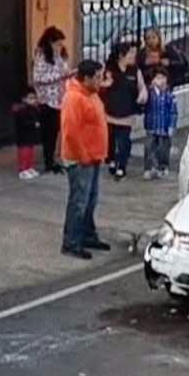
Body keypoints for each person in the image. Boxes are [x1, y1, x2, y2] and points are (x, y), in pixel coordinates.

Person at [60, 60, 110, 259]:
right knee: (79, 202)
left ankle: (88, 235)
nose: (101, 80)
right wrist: (84, 156)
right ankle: (71, 242)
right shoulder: (74, 98)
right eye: (97, 77)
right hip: (82, 160)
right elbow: (71, 132)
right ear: (86, 78)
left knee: (90, 200)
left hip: (93, 157)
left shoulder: (91, 94)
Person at [32, 27, 72, 174]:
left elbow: (63, 70)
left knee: (55, 131)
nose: (60, 47)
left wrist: (67, 75)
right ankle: (48, 161)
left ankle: (53, 159)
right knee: (48, 132)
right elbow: (38, 78)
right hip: (47, 100)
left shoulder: (59, 56)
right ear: (50, 42)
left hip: (59, 99)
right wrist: (60, 77)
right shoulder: (42, 56)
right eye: (57, 44)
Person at [102, 43, 144, 180]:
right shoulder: (110, 70)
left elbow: (141, 87)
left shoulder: (135, 71)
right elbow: (102, 85)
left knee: (124, 141)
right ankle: (112, 160)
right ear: (121, 56)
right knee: (111, 140)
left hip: (127, 112)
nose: (133, 56)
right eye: (130, 53)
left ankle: (122, 166)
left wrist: (143, 96)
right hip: (110, 112)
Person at [142, 71, 180, 179]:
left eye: (163, 78)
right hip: (151, 126)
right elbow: (144, 104)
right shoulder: (149, 93)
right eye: (158, 78)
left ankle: (162, 167)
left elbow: (173, 112)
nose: (161, 81)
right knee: (149, 147)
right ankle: (149, 168)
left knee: (164, 148)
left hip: (164, 127)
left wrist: (172, 125)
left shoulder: (170, 95)